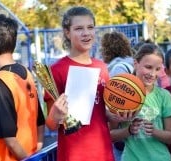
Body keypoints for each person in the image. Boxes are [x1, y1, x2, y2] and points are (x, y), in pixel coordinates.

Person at [0, 14, 67, 161]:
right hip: (28, 154)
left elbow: (10, 139)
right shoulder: (26, 73)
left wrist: (28, 159)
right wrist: (36, 151)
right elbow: (40, 121)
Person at [44, 6, 118, 161]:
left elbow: (105, 116)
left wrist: (119, 115)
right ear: (67, 32)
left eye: (90, 27)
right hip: (73, 155)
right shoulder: (57, 70)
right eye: (78, 28)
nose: (86, 33)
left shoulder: (102, 67)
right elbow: (51, 125)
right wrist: (57, 115)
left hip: (103, 153)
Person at [111, 43, 171, 161]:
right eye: (148, 67)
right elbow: (110, 135)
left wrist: (155, 132)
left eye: (157, 69)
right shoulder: (120, 94)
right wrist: (128, 130)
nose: (152, 74)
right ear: (136, 63)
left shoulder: (164, 96)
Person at [101, 31, 134, 161]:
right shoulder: (134, 64)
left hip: (124, 131)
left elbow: (116, 102)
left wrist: (112, 130)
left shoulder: (117, 69)